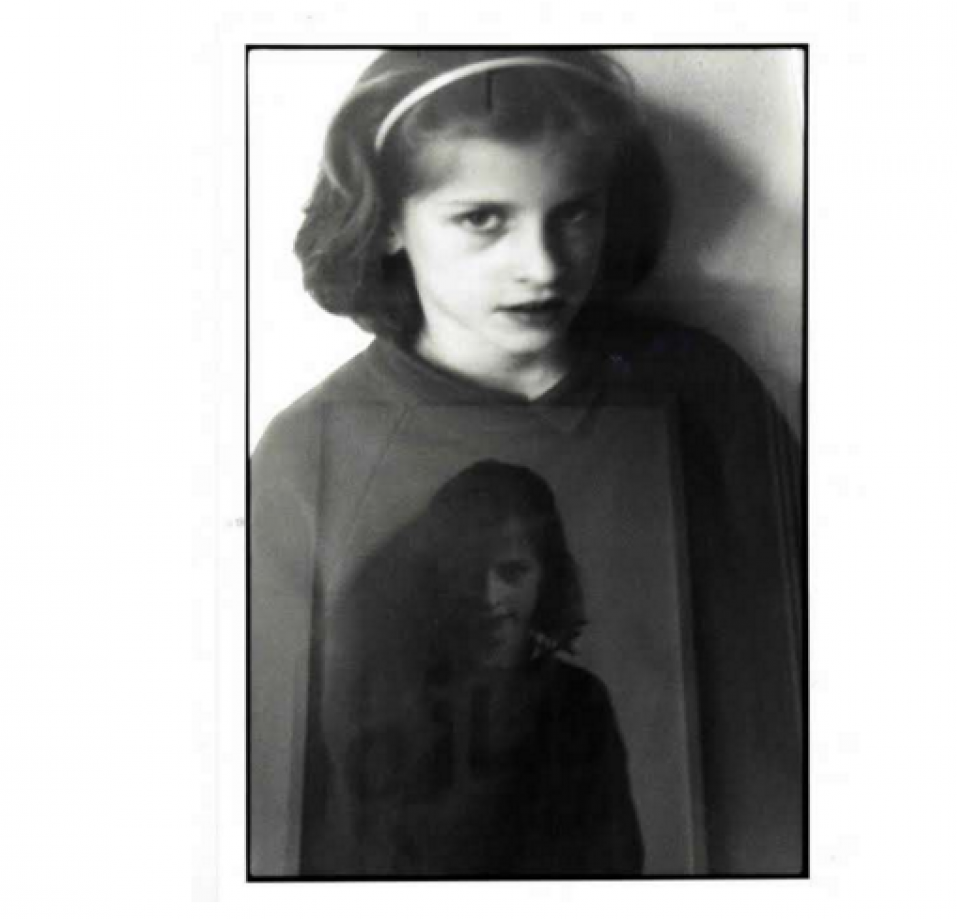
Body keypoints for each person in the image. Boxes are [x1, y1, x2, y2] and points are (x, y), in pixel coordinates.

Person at [250, 49, 805, 877]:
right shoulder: (307, 455)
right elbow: (281, 795)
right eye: (483, 218)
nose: (542, 266)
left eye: (574, 213)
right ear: (391, 220)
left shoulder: (704, 393)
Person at [302, 460, 644, 875]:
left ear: (546, 578)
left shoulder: (580, 702)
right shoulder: (404, 698)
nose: (489, 597)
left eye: (512, 572)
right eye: (468, 572)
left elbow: (615, 861)